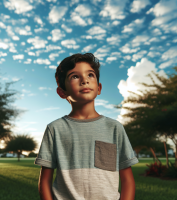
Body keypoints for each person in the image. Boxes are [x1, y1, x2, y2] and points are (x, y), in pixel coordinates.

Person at [34, 53, 139, 200]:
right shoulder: (55, 129)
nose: (84, 80)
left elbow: (127, 180)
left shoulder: (114, 128)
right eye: (74, 76)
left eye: (90, 75)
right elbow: (45, 180)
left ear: (99, 88)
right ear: (61, 92)